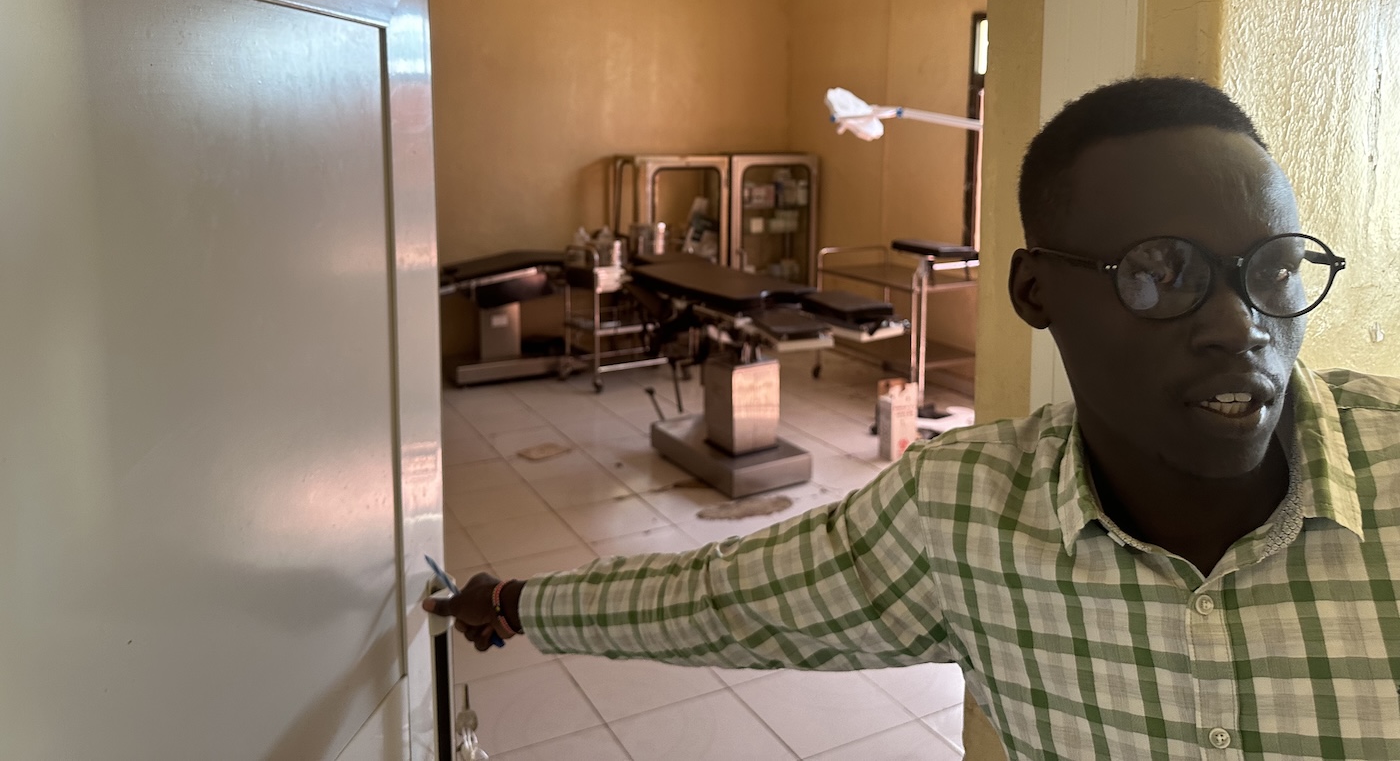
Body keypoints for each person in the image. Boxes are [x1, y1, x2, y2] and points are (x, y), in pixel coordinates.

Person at [425, 77, 1400, 759]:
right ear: (1034, 291)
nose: (1239, 326)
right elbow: (723, 601)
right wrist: (514, 604)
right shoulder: (964, 518)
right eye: (1161, 272)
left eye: (1275, 269)